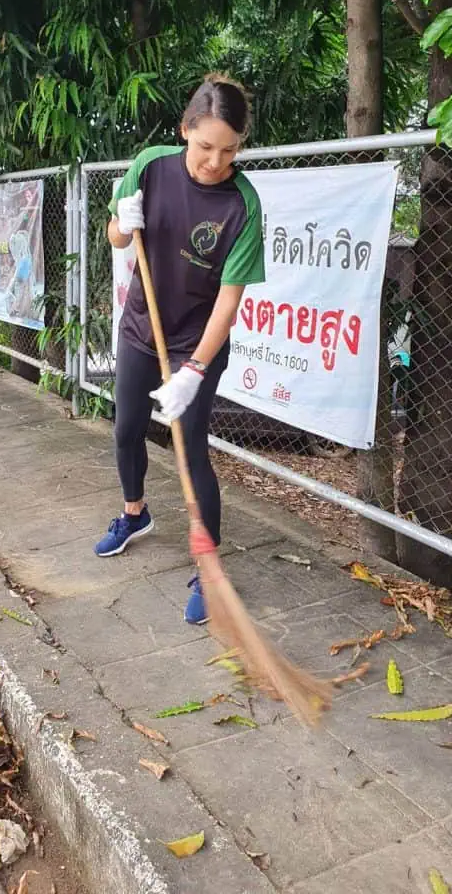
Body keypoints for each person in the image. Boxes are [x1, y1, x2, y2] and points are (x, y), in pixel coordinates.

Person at [93, 73, 265, 625]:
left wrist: (193, 369)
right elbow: (115, 237)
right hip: (142, 328)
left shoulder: (243, 205)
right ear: (184, 131)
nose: (215, 162)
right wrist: (123, 223)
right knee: (125, 429)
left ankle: (208, 569)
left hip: (197, 340)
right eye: (205, 146)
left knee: (191, 451)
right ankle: (134, 513)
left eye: (229, 150)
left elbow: (228, 302)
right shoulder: (151, 165)